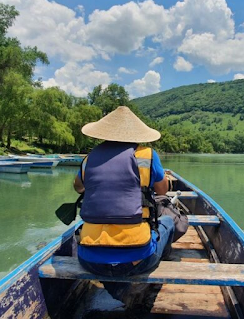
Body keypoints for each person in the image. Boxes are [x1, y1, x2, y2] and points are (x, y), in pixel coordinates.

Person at [72, 106, 174, 302]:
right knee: (168, 221)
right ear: (136, 134)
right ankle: (156, 273)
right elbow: (162, 191)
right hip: (138, 261)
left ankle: (119, 290)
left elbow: (78, 188)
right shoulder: (148, 155)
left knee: (90, 235)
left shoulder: (90, 158)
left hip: (88, 260)